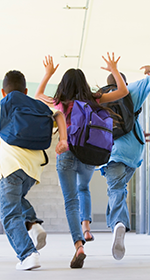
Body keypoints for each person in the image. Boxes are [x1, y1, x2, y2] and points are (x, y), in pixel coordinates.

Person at [35, 53, 128, 268]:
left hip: (66, 152)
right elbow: (122, 92)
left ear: (64, 85)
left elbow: (39, 94)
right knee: (83, 187)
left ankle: (78, 245)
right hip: (89, 153)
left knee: (71, 201)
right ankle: (87, 227)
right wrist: (114, 69)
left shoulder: (60, 102)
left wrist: (48, 73)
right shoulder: (94, 99)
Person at [0, 70, 68, 270]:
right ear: (26, 90)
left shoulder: (0, 111)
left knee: (9, 213)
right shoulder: (37, 108)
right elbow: (58, 114)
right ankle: (33, 223)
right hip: (32, 170)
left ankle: (28, 255)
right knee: (17, 200)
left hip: (10, 167)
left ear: (3, 92)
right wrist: (64, 139)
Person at [96, 65, 150, 260]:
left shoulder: (100, 97)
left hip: (110, 151)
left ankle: (118, 223)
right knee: (118, 189)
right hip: (134, 151)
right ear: (123, 82)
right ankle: (116, 224)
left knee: (116, 189)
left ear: (106, 84)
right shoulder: (131, 90)